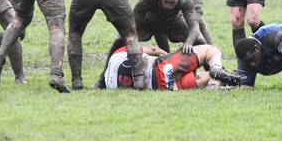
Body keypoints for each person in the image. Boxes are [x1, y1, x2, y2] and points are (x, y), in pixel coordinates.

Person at [93, 40, 241, 90]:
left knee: (202, 78)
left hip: (164, 88)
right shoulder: (121, 51)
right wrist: (167, 55)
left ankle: (213, 87)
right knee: (210, 50)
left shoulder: (108, 82)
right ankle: (216, 69)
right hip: (161, 68)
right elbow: (153, 50)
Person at [132, 0, 204, 53]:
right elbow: (134, 19)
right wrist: (131, 37)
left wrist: (188, 43)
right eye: (166, 2)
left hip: (173, 21)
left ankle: (211, 64)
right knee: (123, 38)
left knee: (199, 40)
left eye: (172, 2)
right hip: (150, 21)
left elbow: (194, 27)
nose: (168, 6)